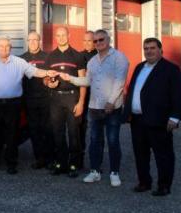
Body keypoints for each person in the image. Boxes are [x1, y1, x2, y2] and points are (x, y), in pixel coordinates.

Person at [0, 36, 56, 174]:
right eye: (1, 46)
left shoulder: (20, 62)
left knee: (12, 135)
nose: (4, 49)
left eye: (7, 46)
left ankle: (11, 164)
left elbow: (35, 72)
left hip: (13, 105)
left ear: (11, 48)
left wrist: (47, 72)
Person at [58, 29, 128, 187]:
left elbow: (120, 81)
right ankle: (95, 171)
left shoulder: (119, 58)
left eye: (101, 40)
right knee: (95, 141)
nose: (98, 43)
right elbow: (87, 81)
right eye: (95, 41)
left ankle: (114, 172)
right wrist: (70, 78)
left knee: (113, 141)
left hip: (112, 108)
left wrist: (111, 101)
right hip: (94, 107)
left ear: (108, 39)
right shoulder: (92, 62)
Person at [123, 37, 181, 197]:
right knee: (140, 154)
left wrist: (175, 117)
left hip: (160, 120)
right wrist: (128, 111)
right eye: (146, 48)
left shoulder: (171, 69)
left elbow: (178, 95)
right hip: (137, 120)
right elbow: (132, 91)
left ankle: (164, 185)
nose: (149, 51)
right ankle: (144, 182)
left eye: (152, 48)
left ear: (160, 50)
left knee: (163, 155)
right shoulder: (139, 67)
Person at [45, 26, 86, 177]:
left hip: (72, 97)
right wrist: (49, 83)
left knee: (74, 132)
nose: (61, 37)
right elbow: (45, 78)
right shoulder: (51, 56)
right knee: (57, 132)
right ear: (56, 37)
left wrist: (81, 102)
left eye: (63, 35)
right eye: (58, 35)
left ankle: (74, 164)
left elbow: (82, 81)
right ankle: (61, 163)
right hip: (56, 98)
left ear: (69, 36)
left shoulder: (77, 56)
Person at [19, 31, 53, 169]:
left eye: (35, 39)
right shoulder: (21, 59)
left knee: (47, 129)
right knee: (34, 130)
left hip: (45, 99)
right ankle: (39, 159)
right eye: (30, 40)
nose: (32, 42)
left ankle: (51, 158)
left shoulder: (47, 57)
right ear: (27, 42)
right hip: (29, 99)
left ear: (40, 41)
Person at [79, 30, 98, 168]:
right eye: (84, 40)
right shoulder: (78, 56)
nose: (87, 43)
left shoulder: (99, 56)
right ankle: (79, 157)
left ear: (95, 42)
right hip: (82, 97)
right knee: (80, 127)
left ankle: (95, 162)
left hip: (96, 98)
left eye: (89, 40)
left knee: (95, 129)